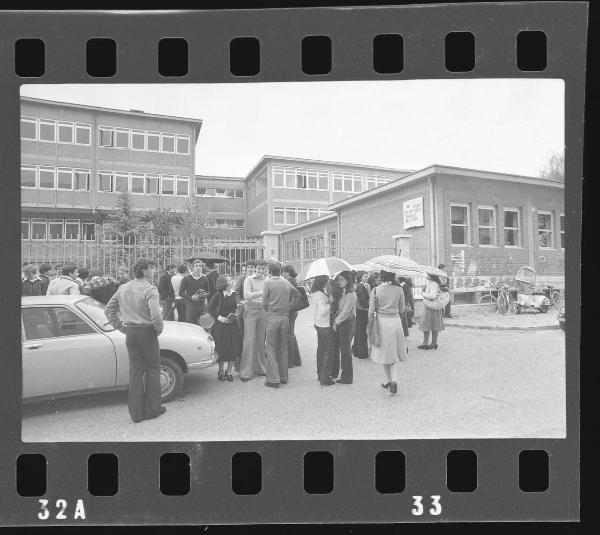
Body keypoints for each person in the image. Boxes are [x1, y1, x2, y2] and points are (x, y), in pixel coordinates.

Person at [105, 258, 165, 423]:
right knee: (153, 368)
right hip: (147, 333)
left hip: (131, 333)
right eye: (152, 268)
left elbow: (108, 310)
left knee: (135, 372)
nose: (153, 271)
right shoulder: (150, 289)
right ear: (144, 271)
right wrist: (158, 329)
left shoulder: (123, 288)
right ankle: (153, 409)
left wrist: (122, 328)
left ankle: (136, 414)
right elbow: (156, 315)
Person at [261, 262, 301, 388]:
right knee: (283, 347)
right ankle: (284, 377)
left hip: (273, 317)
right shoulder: (285, 282)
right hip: (285, 318)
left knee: (271, 348)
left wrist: (269, 308)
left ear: (270, 271)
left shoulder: (267, 283)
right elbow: (297, 294)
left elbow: (263, 302)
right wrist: (289, 307)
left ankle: (273, 379)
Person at [369, 270, 408, 395]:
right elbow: (402, 309)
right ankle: (392, 381)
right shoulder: (399, 289)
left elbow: (371, 310)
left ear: (382, 275)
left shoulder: (376, 289)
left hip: (382, 323)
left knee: (384, 353)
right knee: (394, 352)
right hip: (396, 322)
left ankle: (390, 381)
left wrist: (370, 323)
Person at [207, 274, 242, 382]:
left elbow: (235, 306)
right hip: (221, 325)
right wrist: (219, 318)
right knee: (221, 348)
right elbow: (209, 309)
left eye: (231, 279)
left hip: (232, 324)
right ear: (224, 283)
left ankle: (229, 371)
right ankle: (221, 371)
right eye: (229, 280)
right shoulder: (218, 295)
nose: (232, 281)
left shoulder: (234, 294)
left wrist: (239, 306)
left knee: (233, 347)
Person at [240, 261, 268, 381]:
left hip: (263, 311)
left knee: (261, 341)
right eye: (259, 268)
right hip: (250, 310)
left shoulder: (267, 280)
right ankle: (245, 372)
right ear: (255, 269)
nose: (261, 271)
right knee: (249, 341)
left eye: (263, 268)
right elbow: (246, 295)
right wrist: (262, 293)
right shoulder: (248, 279)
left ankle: (260, 369)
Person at [332, 271, 357, 384]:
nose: (339, 282)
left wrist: (336, 322)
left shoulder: (351, 295)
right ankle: (344, 375)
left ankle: (347, 377)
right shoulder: (344, 292)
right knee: (343, 349)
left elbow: (346, 312)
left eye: (342, 279)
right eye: (339, 279)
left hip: (347, 323)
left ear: (348, 280)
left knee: (346, 350)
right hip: (343, 322)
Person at [311, 275, 335, 386]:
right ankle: (325, 378)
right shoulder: (321, 295)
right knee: (328, 350)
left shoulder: (314, 293)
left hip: (318, 324)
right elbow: (324, 311)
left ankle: (320, 373)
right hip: (324, 325)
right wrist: (330, 302)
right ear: (322, 283)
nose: (327, 284)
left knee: (321, 349)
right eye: (326, 282)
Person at [233, 261, 255, 371]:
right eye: (248, 267)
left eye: (252, 267)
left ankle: (254, 363)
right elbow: (235, 293)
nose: (250, 269)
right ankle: (240, 365)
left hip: (256, 311)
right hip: (243, 310)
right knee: (242, 337)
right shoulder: (242, 279)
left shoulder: (258, 279)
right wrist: (242, 302)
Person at [282, 264, 303, 368]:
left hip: (290, 310)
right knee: (291, 334)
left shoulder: (289, 281)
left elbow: (288, 296)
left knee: (289, 335)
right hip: (294, 310)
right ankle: (296, 360)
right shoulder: (294, 280)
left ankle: (290, 361)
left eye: (284, 272)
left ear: (287, 272)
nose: (283, 274)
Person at [418, 274, 444, 350]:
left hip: (431, 306)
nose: (426, 276)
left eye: (428, 275)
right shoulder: (431, 283)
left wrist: (423, 293)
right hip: (430, 306)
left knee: (430, 324)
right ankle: (429, 343)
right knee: (430, 324)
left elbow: (432, 296)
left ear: (431, 276)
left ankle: (431, 343)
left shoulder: (434, 284)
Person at [179, 259, 209, 325]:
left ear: (202, 268)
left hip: (202, 306)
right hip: (191, 306)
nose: (198, 267)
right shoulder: (186, 279)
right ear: (192, 267)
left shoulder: (205, 279)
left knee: (201, 327)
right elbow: (181, 292)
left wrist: (202, 296)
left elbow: (208, 291)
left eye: (200, 266)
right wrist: (190, 298)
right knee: (190, 327)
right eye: (196, 266)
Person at [352, 271, 371, 359]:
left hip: (360, 310)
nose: (366, 278)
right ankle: (362, 353)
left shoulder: (364, 285)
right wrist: (370, 304)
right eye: (364, 276)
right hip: (362, 311)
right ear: (361, 277)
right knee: (362, 332)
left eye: (367, 276)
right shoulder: (361, 285)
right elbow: (363, 299)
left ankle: (356, 351)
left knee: (359, 331)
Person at [329, 279, 343, 379]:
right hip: (340, 321)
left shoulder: (334, 293)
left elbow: (331, 303)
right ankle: (335, 371)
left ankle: (333, 372)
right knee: (337, 347)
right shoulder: (343, 294)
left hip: (334, 320)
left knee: (333, 347)